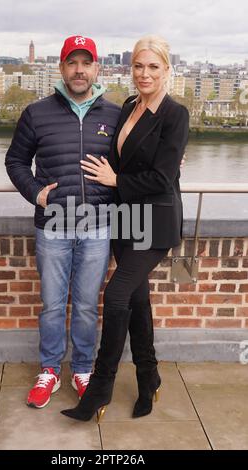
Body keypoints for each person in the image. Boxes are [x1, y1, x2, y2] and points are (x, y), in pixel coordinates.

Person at [61, 35, 189, 421]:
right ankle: (149, 378)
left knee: (116, 296)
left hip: (154, 221)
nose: (144, 73)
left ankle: (99, 391)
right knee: (136, 301)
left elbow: (163, 178)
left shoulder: (174, 114)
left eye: (153, 66)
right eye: (138, 66)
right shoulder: (130, 105)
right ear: (130, 68)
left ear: (167, 70)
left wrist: (115, 180)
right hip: (124, 219)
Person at [5, 36, 121, 408]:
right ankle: (50, 369)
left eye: (86, 63)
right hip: (52, 224)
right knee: (53, 304)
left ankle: (83, 368)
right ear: (61, 68)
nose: (79, 70)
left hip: (98, 226)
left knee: (87, 305)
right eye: (72, 62)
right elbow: (16, 162)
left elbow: (137, 160)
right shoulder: (37, 113)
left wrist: (168, 160)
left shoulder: (115, 116)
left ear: (97, 69)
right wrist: (36, 193)